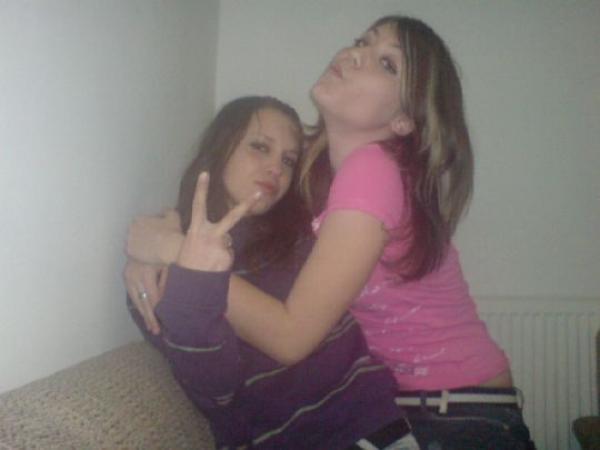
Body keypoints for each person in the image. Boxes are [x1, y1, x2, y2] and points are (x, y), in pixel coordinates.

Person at [127, 16, 535, 450]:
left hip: (457, 415)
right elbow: (236, 200)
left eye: (387, 63)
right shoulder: (325, 176)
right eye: (363, 41)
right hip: (440, 405)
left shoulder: (372, 170)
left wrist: (175, 251)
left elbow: (291, 337)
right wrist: (163, 237)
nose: (355, 54)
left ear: (403, 120)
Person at [125, 96, 419, 450]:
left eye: (288, 160)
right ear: (220, 147)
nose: (276, 168)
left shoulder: (303, 236)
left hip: (372, 425)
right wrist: (189, 273)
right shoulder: (161, 271)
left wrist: (168, 246)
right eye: (260, 147)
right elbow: (215, 390)